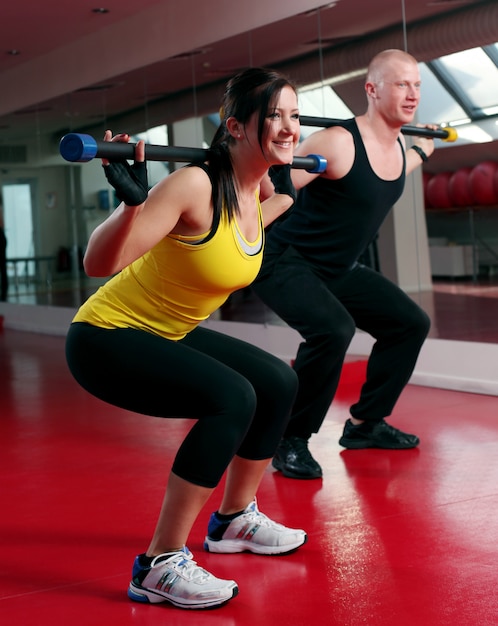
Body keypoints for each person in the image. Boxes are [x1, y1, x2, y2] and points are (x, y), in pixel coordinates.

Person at [65, 67, 307, 610]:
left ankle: (233, 521)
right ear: (236, 127)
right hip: (106, 335)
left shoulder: (249, 196)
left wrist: (285, 193)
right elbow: (98, 264)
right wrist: (132, 204)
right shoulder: (195, 183)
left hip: (168, 331)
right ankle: (159, 563)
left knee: (277, 381)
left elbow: (259, 220)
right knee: (233, 396)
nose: (291, 128)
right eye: (276, 116)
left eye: (296, 116)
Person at [252, 49, 435, 480]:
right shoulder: (337, 141)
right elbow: (272, 187)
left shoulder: (399, 147)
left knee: (409, 323)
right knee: (333, 329)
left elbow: (398, 169)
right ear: (371, 90)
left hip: (337, 268)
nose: (412, 95)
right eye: (401, 85)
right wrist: (257, 151)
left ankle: (365, 424)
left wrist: (425, 150)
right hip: (283, 258)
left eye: (417, 86)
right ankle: (291, 439)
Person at [0, 211, 8, 301]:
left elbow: (4, 244)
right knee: (3, 275)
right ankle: (3, 294)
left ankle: (3, 295)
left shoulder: (1, 234)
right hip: (2, 257)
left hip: (1, 257)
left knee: (3, 276)